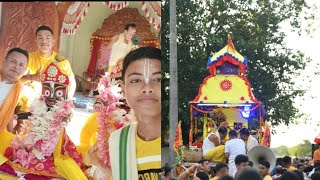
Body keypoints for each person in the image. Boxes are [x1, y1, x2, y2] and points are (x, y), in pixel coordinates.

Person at [109, 47, 161, 179]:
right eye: (136, 80)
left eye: (158, 79)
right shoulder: (118, 142)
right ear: (123, 90)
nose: (147, 88)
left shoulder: (179, 142)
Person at [22, 25, 76, 98]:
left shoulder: (61, 60)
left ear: (53, 41)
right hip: (32, 99)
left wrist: (67, 100)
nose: (44, 41)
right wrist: (32, 77)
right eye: (40, 38)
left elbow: (71, 82)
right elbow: (16, 80)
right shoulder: (27, 58)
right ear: (36, 41)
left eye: (48, 38)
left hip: (55, 99)